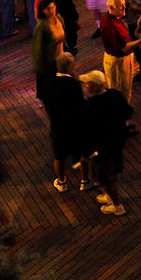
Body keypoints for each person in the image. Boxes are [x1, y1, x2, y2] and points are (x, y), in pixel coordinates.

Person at [81, 69, 133, 216]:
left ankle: (117, 205)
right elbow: (128, 112)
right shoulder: (115, 95)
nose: (84, 85)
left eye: (87, 83)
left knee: (104, 176)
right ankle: (110, 196)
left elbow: (88, 131)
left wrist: (85, 153)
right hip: (117, 142)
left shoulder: (92, 106)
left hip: (102, 148)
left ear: (93, 86)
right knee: (112, 171)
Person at [43, 52, 87, 192]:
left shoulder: (49, 84)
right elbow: (80, 106)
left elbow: (47, 105)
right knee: (82, 153)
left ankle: (61, 182)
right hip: (75, 124)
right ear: (71, 67)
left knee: (59, 155)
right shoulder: (74, 84)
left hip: (57, 124)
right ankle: (84, 180)